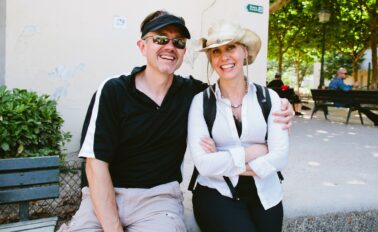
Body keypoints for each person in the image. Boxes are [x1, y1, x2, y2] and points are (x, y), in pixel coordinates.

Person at [58, 10, 294, 232]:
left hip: (158, 201)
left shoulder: (191, 94)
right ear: (142, 46)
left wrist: (285, 105)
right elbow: (95, 165)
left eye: (178, 42)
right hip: (104, 196)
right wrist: (257, 151)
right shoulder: (114, 90)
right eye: (160, 39)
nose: (170, 47)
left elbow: (231, 89)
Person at [187, 21, 288, 232]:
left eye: (231, 47)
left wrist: (223, 158)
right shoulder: (201, 102)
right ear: (211, 59)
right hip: (216, 192)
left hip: (266, 193)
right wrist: (256, 151)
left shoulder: (269, 98)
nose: (224, 57)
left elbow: (280, 157)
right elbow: (204, 165)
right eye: (216, 51)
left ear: (245, 51)